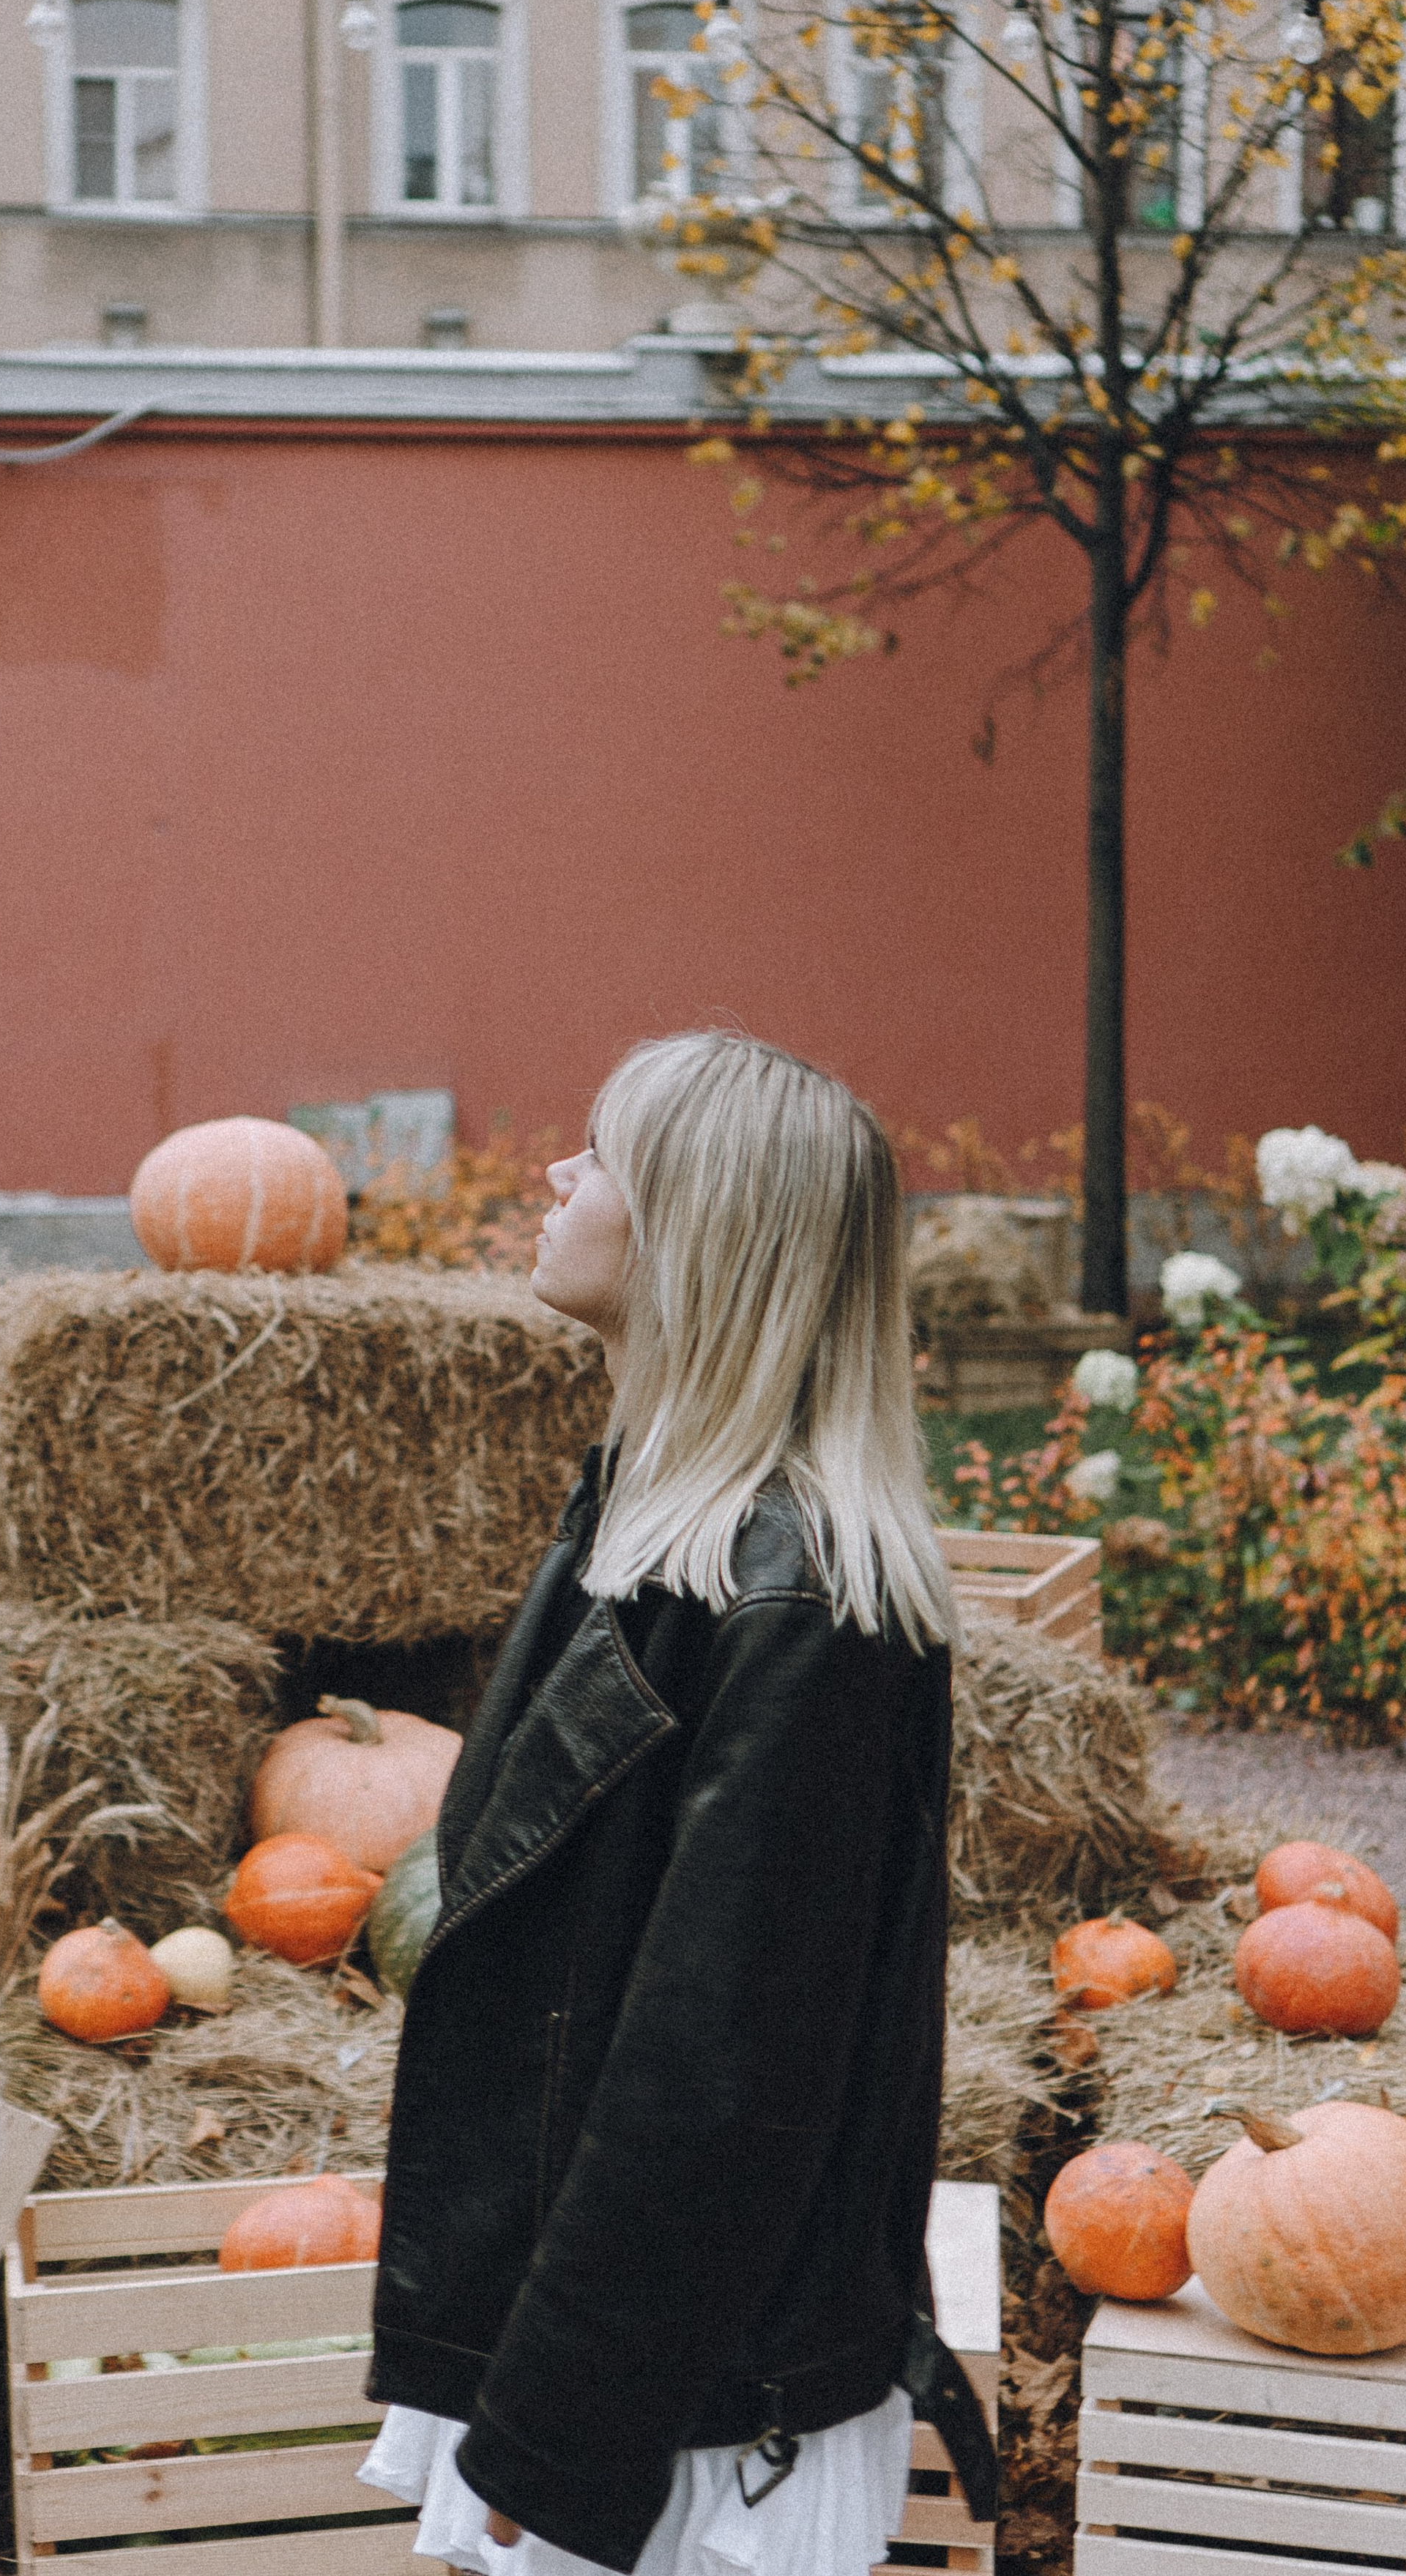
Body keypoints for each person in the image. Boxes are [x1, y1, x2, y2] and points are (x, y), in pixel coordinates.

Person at [357, 1030, 982, 2576]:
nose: (555, 1173)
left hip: (674, 2390)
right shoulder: (644, 1529)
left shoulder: (801, 1605)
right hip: (594, 2338)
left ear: (694, 1232)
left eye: (601, 1155)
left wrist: (561, 2427)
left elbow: (719, 2069)